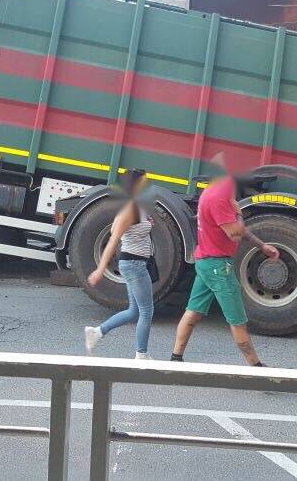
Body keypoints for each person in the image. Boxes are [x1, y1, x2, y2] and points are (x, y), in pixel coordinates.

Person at [169, 153, 279, 367]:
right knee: (238, 321)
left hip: (205, 262)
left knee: (192, 313)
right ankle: (257, 368)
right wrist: (238, 213)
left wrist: (262, 246)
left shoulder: (216, 189)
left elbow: (238, 229)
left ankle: (175, 359)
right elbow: (235, 233)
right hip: (218, 266)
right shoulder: (218, 196)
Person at [84, 169, 157, 359]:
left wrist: (147, 225)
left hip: (135, 263)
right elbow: (113, 240)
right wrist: (100, 270)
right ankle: (141, 355)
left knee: (134, 311)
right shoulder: (129, 209)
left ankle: (97, 332)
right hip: (134, 264)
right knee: (147, 311)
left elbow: (130, 231)